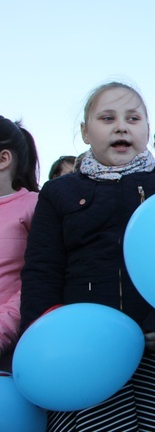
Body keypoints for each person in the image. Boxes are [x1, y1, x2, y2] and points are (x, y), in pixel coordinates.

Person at [20, 82, 155, 431]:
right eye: (107, 118)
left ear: (147, 130)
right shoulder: (58, 193)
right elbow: (43, 269)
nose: (121, 127)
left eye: (133, 118)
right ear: (85, 131)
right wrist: (46, 335)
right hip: (85, 352)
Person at [0, 117, 39, 372]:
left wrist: (4, 327)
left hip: (12, 352)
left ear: (3, 159)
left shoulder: (34, 204)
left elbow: (38, 276)